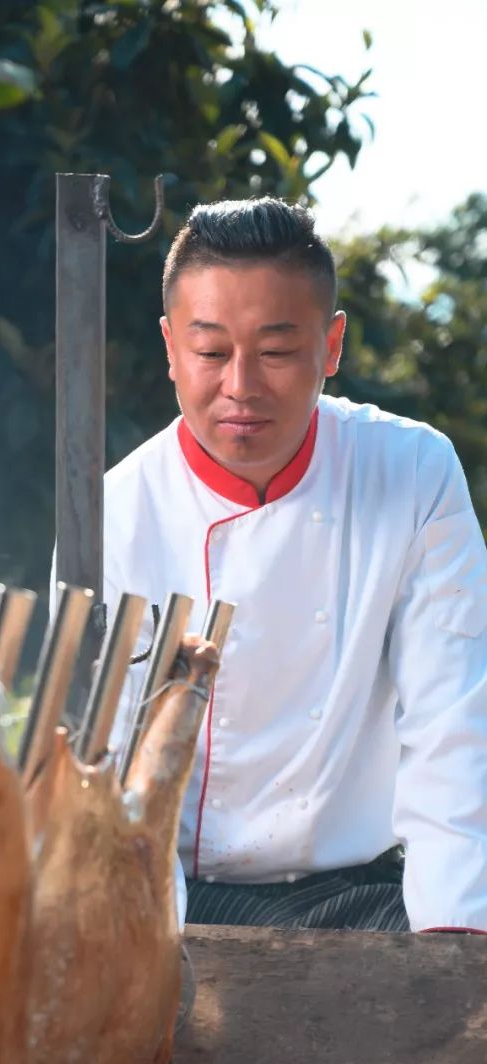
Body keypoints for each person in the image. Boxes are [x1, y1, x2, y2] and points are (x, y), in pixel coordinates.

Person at [96, 196, 487, 934]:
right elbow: (105, 768)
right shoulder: (115, 514)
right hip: (172, 891)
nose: (241, 385)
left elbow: (453, 724)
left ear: (331, 346)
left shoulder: (411, 473)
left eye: (276, 352)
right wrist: (148, 948)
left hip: (364, 898)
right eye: (210, 352)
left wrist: (455, 955)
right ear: (170, 348)